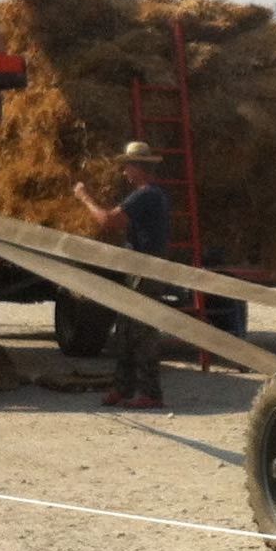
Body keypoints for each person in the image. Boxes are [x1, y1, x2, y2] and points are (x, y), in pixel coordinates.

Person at [73, 140, 172, 409]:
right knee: (126, 332)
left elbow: (108, 221)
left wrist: (84, 198)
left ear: (138, 168)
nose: (124, 173)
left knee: (143, 333)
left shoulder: (146, 195)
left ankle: (151, 393)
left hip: (146, 272)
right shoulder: (148, 194)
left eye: (127, 167)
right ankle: (122, 389)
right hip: (137, 270)